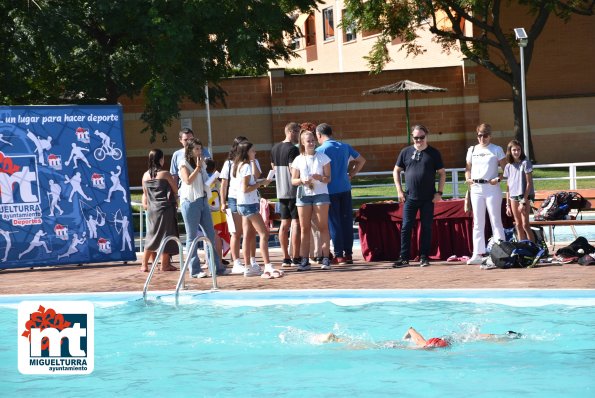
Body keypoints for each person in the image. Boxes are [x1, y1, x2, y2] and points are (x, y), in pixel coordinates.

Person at [393, 125, 446, 268]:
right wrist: (399, 190)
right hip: (410, 197)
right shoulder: (405, 152)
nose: (419, 140)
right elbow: (396, 171)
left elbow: (442, 173)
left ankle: (424, 257)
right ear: (412, 137)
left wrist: (439, 193)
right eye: (416, 137)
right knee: (406, 227)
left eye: (421, 137)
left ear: (426, 136)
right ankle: (404, 258)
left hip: (428, 198)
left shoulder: (434, 153)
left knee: (426, 228)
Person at [315, 123, 366, 264]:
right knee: (346, 221)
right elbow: (361, 160)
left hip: (330, 190)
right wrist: (351, 174)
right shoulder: (344, 146)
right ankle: (348, 254)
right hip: (345, 187)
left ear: (319, 135)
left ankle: (339, 255)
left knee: (334, 222)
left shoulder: (320, 150)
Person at [179, 138, 226, 278]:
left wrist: (213, 178)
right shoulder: (184, 163)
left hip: (203, 200)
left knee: (210, 234)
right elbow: (187, 181)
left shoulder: (202, 164)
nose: (199, 151)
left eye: (200, 148)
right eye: (196, 149)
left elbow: (205, 181)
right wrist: (198, 168)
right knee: (192, 236)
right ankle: (195, 270)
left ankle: (216, 267)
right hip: (190, 201)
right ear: (190, 150)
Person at [233, 141, 279, 278]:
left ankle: (248, 267)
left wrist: (260, 182)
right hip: (248, 204)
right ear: (246, 152)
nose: (255, 153)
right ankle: (268, 265)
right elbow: (245, 188)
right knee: (264, 233)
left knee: (247, 236)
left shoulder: (239, 165)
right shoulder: (246, 166)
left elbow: (247, 184)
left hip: (242, 204)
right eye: (253, 151)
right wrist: (261, 184)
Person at [465, 123, 507, 265]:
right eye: (480, 135)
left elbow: (506, 169)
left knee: (495, 220)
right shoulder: (472, 150)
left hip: (491, 187)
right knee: (478, 222)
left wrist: (498, 179)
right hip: (476, 187)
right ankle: (477, 253)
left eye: (485, 135)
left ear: (490, 136)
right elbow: (468, 168)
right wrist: (467, 178)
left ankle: (501, 252)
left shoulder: (496, 149)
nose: (482, 138)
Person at [291, 129, 332, 271]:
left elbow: (328, 178)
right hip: (304, 195)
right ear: (302, 142)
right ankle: (304, 259)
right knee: (305, 228)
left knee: (323, 226)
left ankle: (325, 258)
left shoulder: (323, 157)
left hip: (321, 193)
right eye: (308, 141)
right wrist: (302, 180)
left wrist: (320, 178)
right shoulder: (298, 159)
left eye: (313, 140)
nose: (311, 143)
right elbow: (293, 180)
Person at [220, 136, 259, 274]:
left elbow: (256, 175)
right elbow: (224, 183)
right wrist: (222, 201)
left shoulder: (250, 162)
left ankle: (252, 260)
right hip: (234, 198)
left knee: (251, 232)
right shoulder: (229, 163)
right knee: (236, 232)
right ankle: (236, 261)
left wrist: (253, 161)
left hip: (248, 198)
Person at [313, 326, 522, 349]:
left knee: (471, 336)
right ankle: (335, 339)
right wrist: (405, 337)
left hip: (398, 344)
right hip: (392, 345)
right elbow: (412, 328)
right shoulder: (424, 346)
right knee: (363, 346)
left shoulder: (446, 341)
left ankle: (504, 335)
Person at [140, 149, 179, 272]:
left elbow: (145, 194)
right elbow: (175, 189)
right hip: (165, 209)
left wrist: (146, 205)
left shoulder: (145, 175)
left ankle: (144, 265)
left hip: (152, 209)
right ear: (160, 159)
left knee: (151, 235)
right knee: (166, 235)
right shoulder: (165, 174)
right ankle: (165, 264)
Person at [271, 122, 301, 267]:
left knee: (284, 224)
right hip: (293, 191)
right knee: (296, 224)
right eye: (297, 132)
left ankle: (285, 257)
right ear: (291, 131)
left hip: (280, 191)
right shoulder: (293, 149)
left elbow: (273, 167)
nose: (299, 136)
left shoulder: (275, 148)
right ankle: (296, 257)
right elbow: (292, 169)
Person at [504, 140, 535, 242]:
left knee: (525, 225)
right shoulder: (508, 166)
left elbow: (529, 183)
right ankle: (523, 247)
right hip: (513, 197)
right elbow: (508, 186)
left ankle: (533, 248)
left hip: (523, 196)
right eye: (514, 150)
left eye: (518, 149)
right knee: (518, 225)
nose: (516, 152)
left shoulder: (525, 163)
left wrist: (523, 201)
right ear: (510, 151)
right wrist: (507, 205)